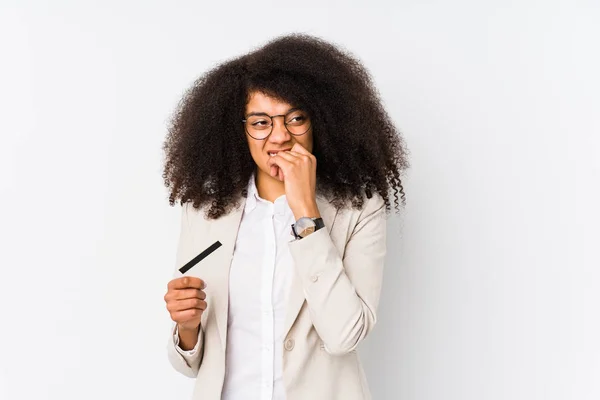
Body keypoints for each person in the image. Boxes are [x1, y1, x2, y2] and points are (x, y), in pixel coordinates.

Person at [161, 33, 408, 400]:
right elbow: (190, 365)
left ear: (320, 120)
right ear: (240, 129)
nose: (279, 137)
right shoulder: (205, 210)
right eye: (261, 122)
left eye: (295, 118)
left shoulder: (357, 209)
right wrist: (187, 328)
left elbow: (344, 336)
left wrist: (305, 210)